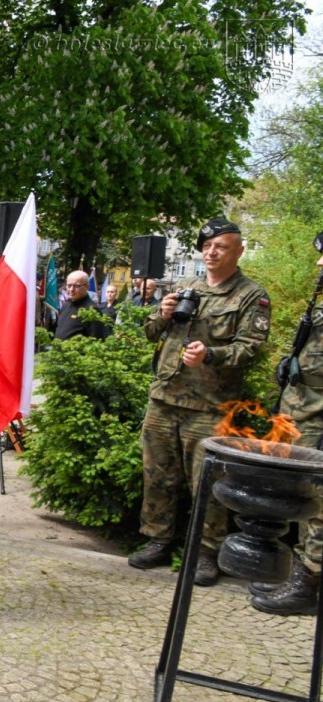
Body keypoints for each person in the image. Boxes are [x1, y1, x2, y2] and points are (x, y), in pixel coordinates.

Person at [127, 219, 271, 587]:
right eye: (207, 246)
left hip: (209, 406)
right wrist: (161, 313)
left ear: (238, 250)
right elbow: (149, 333)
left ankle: (206, 553)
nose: (212, 252)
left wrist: (210, 355)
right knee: (157, 475)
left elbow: (251, 349)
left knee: (207, 483)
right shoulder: (185, 286)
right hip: (164, 398)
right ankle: (158, 540)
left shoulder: (251, 296)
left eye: (221, 246)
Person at [251, 245, 323, 615]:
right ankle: (301, 574)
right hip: (304, 414)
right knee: (305, 498)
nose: (319, 263)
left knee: (319, 504)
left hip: (318, 418)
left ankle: (309, 582)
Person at [54, 270, 107, 340]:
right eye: (69, 285)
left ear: (87, 287)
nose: (71, 289)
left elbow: (96, 339)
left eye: (76, 286)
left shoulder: (91, 310)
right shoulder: (66, 304)